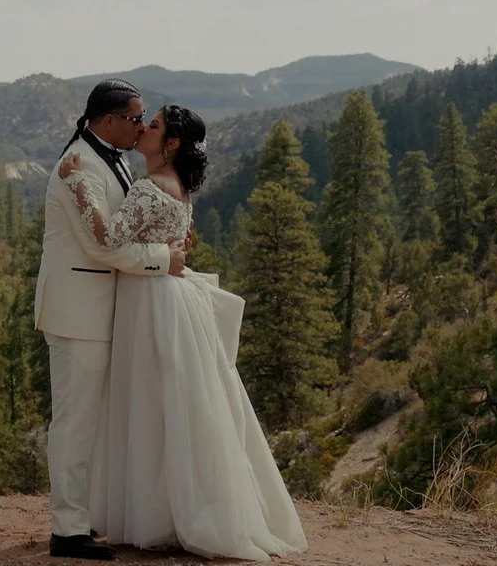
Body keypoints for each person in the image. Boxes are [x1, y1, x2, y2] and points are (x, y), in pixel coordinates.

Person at [92, 104, 305, 560]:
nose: (143, 128)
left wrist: (77, 189)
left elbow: (108, 239)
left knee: (152, 404)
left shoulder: (151, 187)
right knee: (175, 405)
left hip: (152, 303)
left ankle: (157, 513)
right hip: (170, 301)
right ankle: (177, 509)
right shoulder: (178, 188)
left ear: (170, 143)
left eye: (153, 126)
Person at [35, 79, 190, 561]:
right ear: (109, 121)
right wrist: (164, 259)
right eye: (136, 117)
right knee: (75, 422)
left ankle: (89, 516)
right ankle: (67, 531)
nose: (142, 125)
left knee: (98, 423)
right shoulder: (79, 166)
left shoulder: (114, 158)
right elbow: (101, 246)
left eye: (146, 119)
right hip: (78, 312)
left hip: (105, 312)